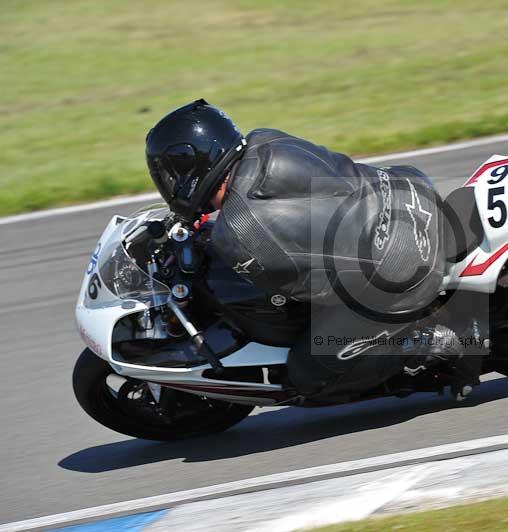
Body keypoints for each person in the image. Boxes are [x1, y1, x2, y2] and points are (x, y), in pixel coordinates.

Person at [145, 99, 480, 402]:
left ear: (188, 170)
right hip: (411, 194)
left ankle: (440, 341)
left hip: (405, 268)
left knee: (307, 373)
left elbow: (303, 297)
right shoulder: (265, 142)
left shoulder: (237, 233)